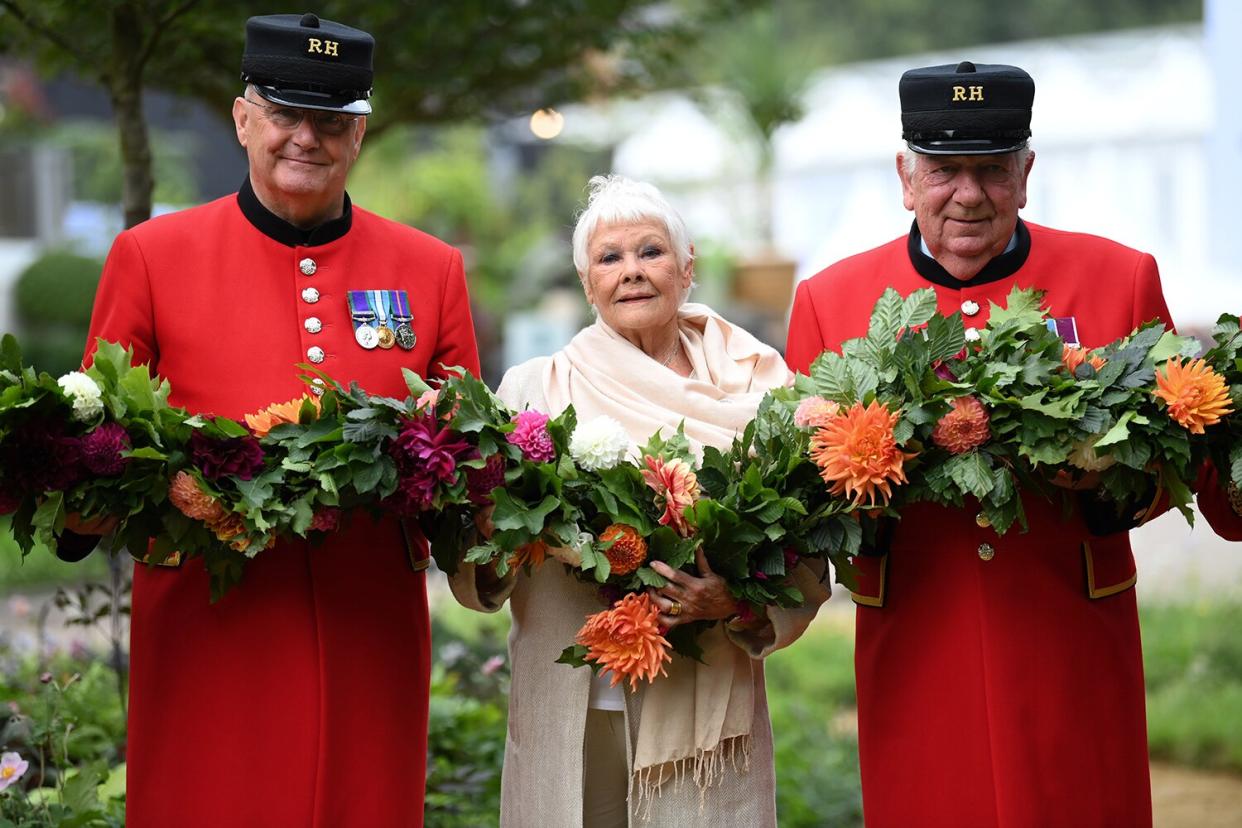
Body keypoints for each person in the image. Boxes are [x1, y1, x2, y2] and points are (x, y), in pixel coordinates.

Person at [77, 13, 479, 826]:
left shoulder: (429, 269)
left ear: (359, 134)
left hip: (367, 625)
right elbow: (97, 445)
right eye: (286, 114)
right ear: (242, 118)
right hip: (209, 624)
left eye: (332, 121)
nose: (307, 138)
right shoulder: (152, 257)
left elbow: (468, 453)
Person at [786, 61, 1188, 827]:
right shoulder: (830, 300)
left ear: (1026, 172)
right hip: (919, 640)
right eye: (944, 170)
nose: (968, 194)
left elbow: (1177, 456)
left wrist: (1112, 485)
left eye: (992, 170)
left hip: (1069, 638)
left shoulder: (1120, 277)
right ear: (906, 177)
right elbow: (803, 490)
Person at [450, 175, 829, 827]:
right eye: (610, 257)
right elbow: (478, 559)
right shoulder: (532, 388)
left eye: (650, 252)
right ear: (586, 280)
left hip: (705, 706)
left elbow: (805, 555)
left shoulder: (762, 387)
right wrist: (497, 531)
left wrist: (735, 601)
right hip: (574, 695)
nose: (631, 271)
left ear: (687, 271)